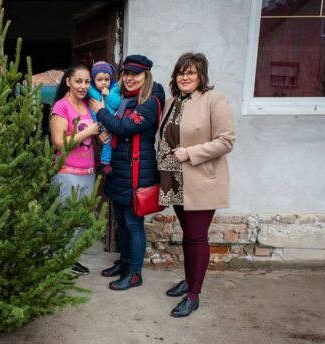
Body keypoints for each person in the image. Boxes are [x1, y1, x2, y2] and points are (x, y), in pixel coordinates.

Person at [157, 52, 235, 317]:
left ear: (201, 75)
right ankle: (190, 280)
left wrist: (191, 153)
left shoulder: (214, 100)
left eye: (190, 72)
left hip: (200, 180)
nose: (185, 77)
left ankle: (194, 294)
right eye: (181, 72)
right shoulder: (171, 102)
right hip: (175, 180)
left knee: (197, 237)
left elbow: (226, 141)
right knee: (188, 236)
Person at [89, 55, 165, 290]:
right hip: (120, 170)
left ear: (146, 76)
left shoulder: (150, 101)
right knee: (121, 222)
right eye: (127, 74)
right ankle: (123, 263)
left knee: (133, 224)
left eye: (136, 74)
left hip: (137, 172)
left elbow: (124, 127)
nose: (130, 78)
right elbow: (114, 130)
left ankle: (134, 273)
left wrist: (101, 112)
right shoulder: (122, 98)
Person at [50, 64, 103, 275]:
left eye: (87, 82)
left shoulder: (89, 106)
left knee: (80, 218)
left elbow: (94, 136)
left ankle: (70, 259)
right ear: (68, 82)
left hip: (88, 172)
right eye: (78, 81)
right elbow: (59, 142)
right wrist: (88, 131)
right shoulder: (61, 107)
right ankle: (57, 262)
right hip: (67, 173)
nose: (83, 86)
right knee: (64, 219)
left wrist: (99, 136)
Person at [87, 61, 121, 174]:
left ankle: (104, 162)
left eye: (106, 79)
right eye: (99, 79)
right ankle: (96, 160)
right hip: (94, 122)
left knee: (108, 140)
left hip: (108, 121)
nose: (103, 83)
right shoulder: (90, 89)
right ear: (93, 79)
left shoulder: (114, 90)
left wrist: (108, 95)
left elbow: (116, 104)